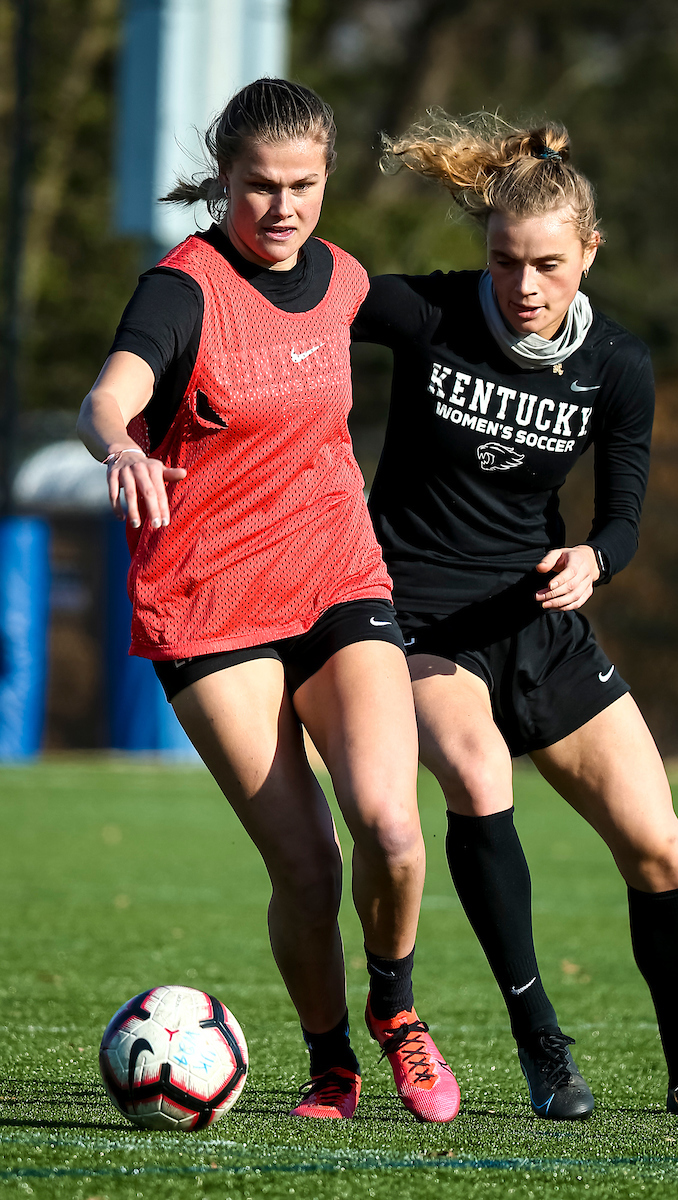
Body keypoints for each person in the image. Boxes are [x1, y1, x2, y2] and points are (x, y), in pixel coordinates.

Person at [351, 111, 678, 1121]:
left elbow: (620, 518)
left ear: (587, 251)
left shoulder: (617, 364)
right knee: (478, 773)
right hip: (418, 622)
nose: (524, 286)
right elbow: (303, 292)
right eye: (503, 262)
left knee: (661, 849)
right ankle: (542, 1042)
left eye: (545, 263)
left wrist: (592, 560)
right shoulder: (428, 316)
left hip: (538, 623)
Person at [77, 78, 460, 1124]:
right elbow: (110, 391)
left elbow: (446, 318)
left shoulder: (339, 278)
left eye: (301, 186)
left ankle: (396, 1017)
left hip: (337, 579)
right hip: (208, 609)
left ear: (326, 179)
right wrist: (118, 444)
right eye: (258, 188)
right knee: (307, 861)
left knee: (390, 829)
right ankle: (329, 1062)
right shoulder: (182, 288)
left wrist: (549, 297)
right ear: (224, 182)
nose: (281, 209)